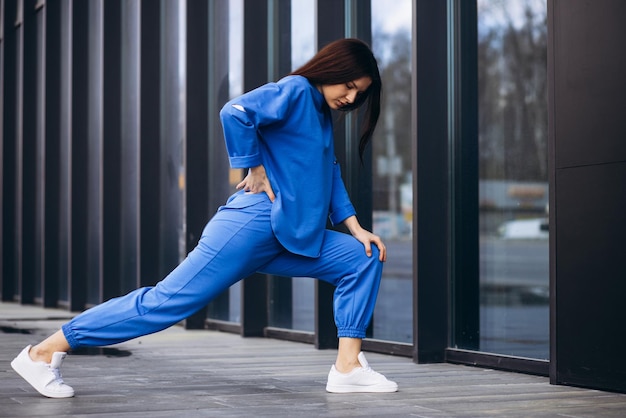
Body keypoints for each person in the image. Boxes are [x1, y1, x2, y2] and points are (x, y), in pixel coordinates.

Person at [11, 38, 398, 398]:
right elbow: (236, 111)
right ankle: (43, 353)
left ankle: (347, 367)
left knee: (361, 257)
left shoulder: (320, 114)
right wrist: (254, 167)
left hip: (289, 233)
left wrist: (354, 227)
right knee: (163, 304)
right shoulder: (297, 91)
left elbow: (330, 170)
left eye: (359, 94)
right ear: (329, 70)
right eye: (347, 86)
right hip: (251, 224)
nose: (350, 97)